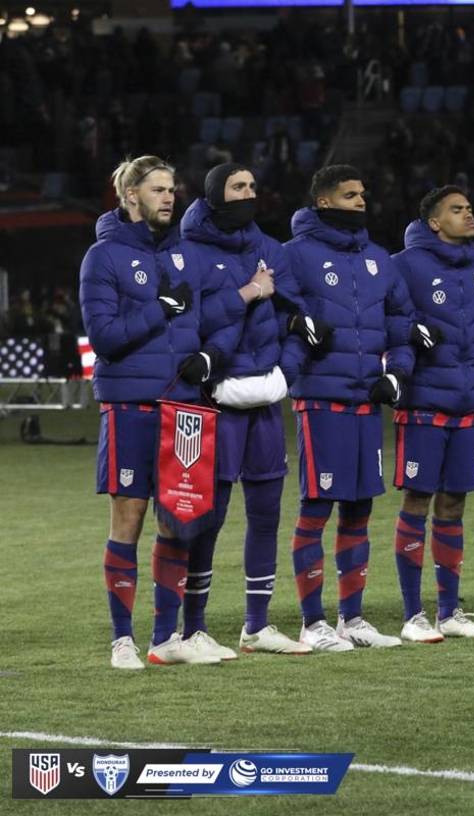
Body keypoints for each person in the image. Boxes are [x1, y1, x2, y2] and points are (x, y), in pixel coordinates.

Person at [179, 162, 323, 658]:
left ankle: (256, 627)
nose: (248, 194)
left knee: (265, 515)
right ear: (215, 192)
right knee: (207, 519)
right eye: (238, 187)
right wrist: (246, 294)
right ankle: (193, 627)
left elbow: (297, 318)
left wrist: (286, 370)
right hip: (212, 401)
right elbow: (191, 324)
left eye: (253, 186)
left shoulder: (270, 249)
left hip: (263, 398)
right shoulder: (188, 253)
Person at [82, 155, 218, 668]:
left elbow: (203, 323)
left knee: (177, 522)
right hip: (130, 406)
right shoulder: (103, 256)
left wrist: (210, 355)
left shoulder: (186, 255)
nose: (169, 197)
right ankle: (122, 640)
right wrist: (160, 307)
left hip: (183, 407)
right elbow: (104, 338)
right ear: (131, 195)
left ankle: (166, 639)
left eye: (172, 189)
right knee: (129, 518)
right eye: (158, 189)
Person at [281, 164, 416, 651]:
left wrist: (397, 373)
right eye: (350, 194)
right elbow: (283, 315)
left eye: (363, 193)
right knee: (316, 508)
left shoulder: (379, 259)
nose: (361, 201)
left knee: (359, 509)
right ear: (323, 202)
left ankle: (351, 619)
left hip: (366, 400)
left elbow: (402, 322)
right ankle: (312, 621)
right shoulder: (293, 256)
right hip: (321, 398)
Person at [389, 186, 474, 642]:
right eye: (457, 210)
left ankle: (449, 611)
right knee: (418, 500)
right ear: (435, 222)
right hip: (423, 403)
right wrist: (409, 331)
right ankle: (414, 615)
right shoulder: (404, 265)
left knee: (454, 503)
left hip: (468, 400)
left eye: (470, 208)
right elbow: (388, 317)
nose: (468, 214)